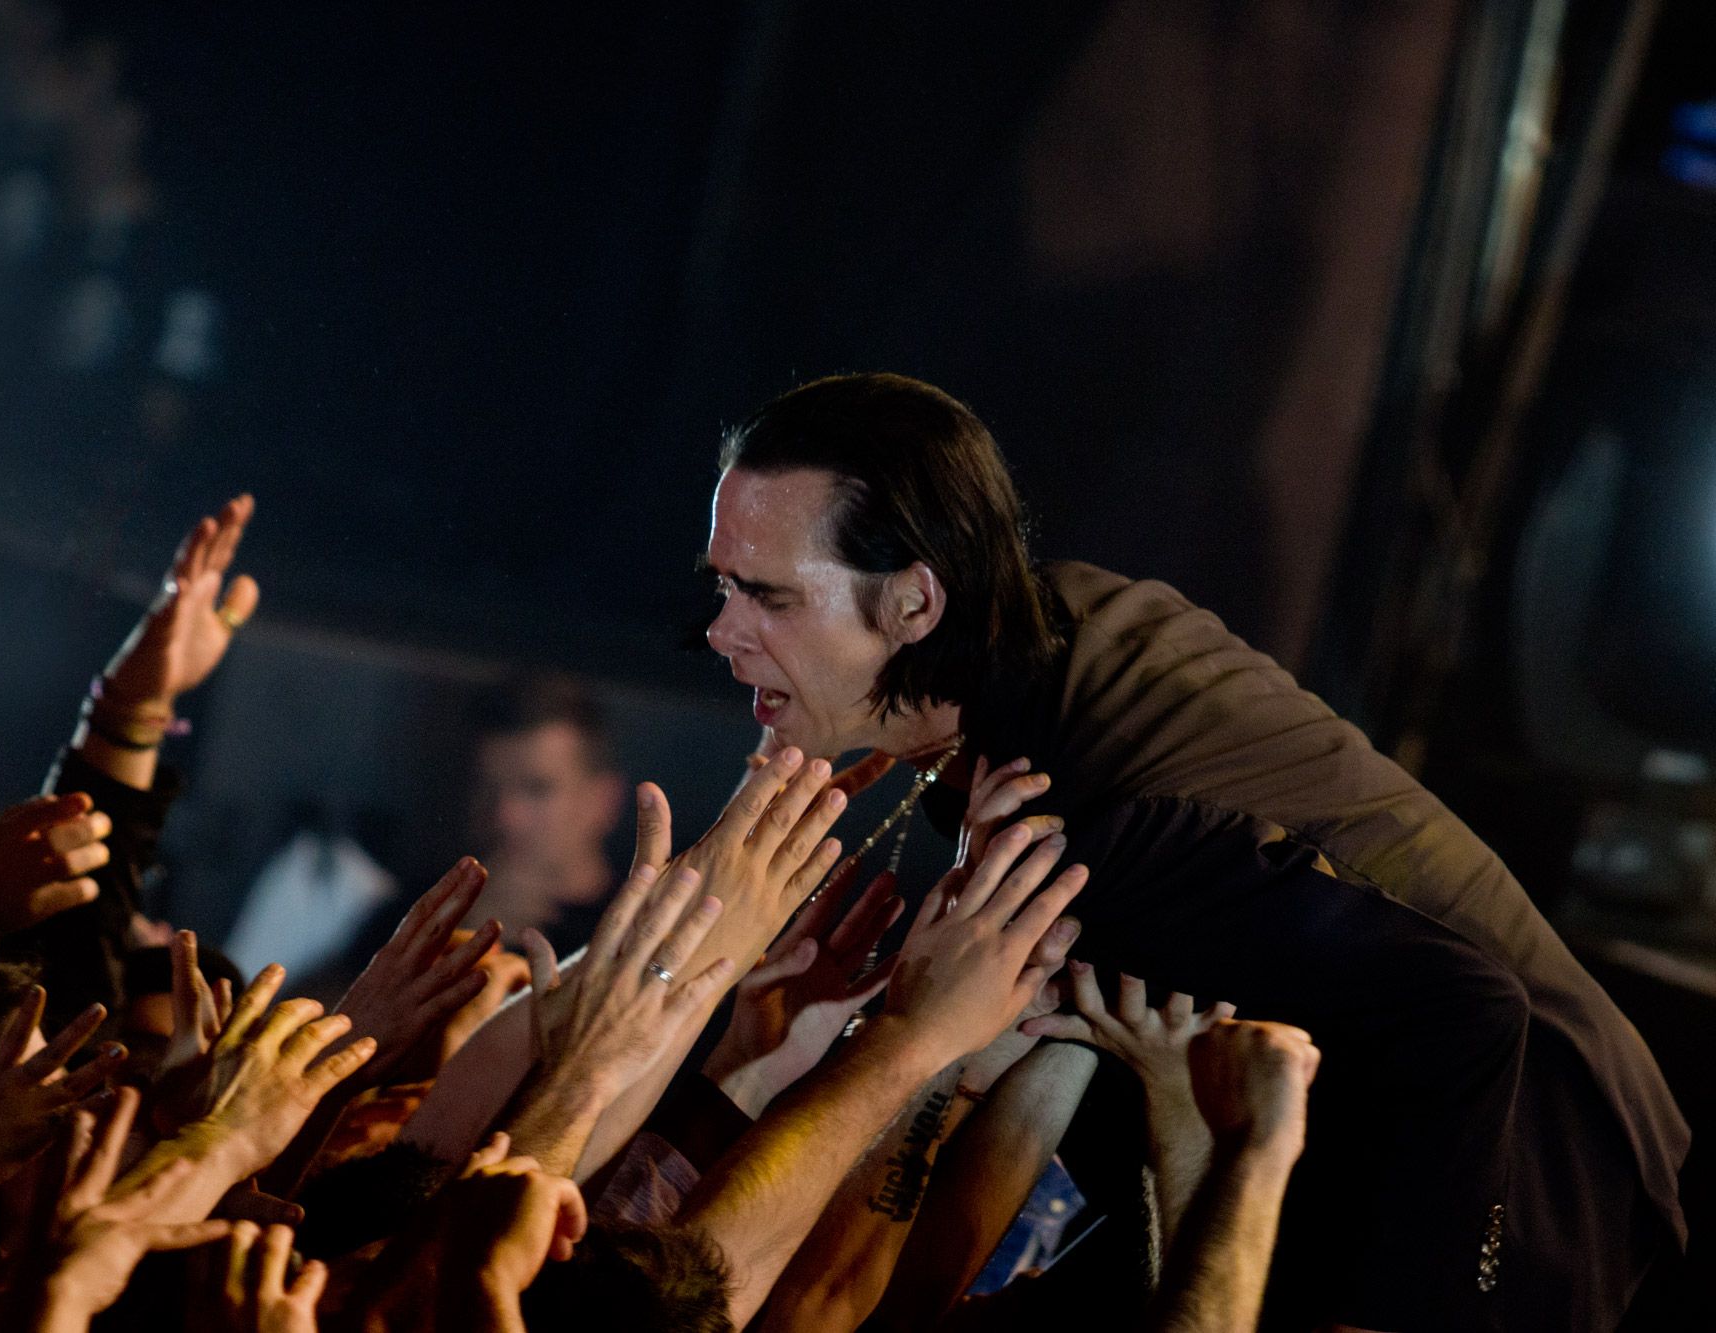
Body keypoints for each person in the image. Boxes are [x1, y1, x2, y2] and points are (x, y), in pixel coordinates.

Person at [696, 372, 1688, 1331]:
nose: (720, 632)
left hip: (1531, 1150)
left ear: (914, 604)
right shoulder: (1038, 646)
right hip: (1356, 1144)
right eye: (722, 588)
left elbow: (1468, 1015)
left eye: (767, 597)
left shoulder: (1089, 822)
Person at [462, 675, 627, 956]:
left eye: (537, 789)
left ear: (603, 801)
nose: (506, 816)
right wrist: (460, 938)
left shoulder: (642, 933)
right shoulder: (416, 921)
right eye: (489, 789)